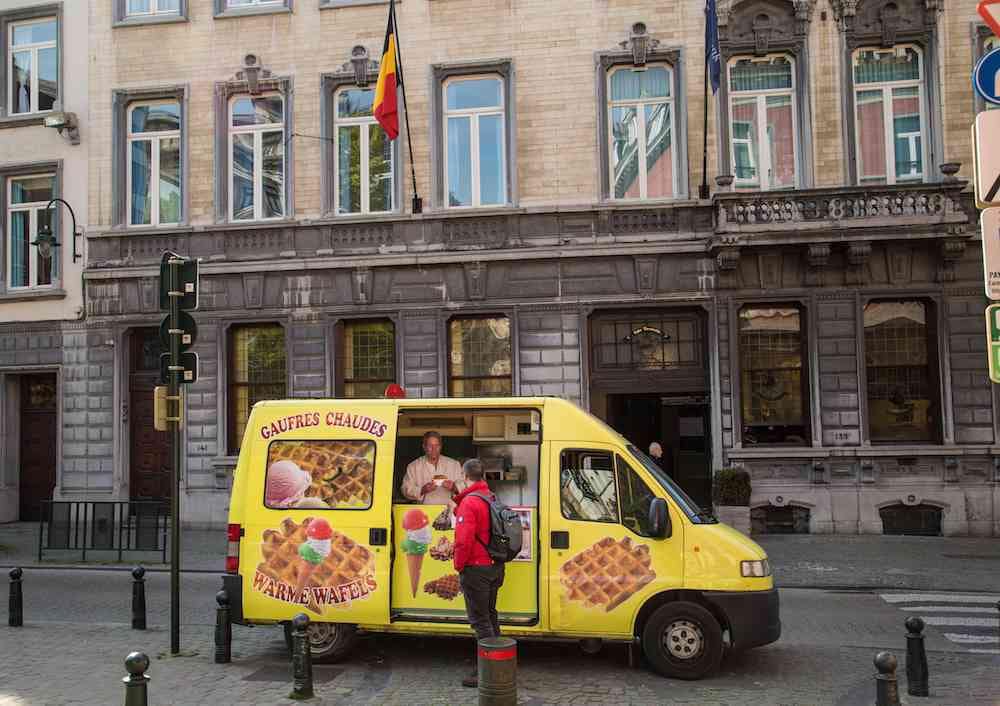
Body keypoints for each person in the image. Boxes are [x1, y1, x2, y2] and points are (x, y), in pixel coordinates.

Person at [453, 458, 505, 688]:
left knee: (480, 619)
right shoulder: (491, 496)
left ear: (465, 477)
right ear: (482, 475)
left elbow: (463, 541)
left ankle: (489, 672)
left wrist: (458, 565)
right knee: (490, 614)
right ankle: (501, 663)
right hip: (494, 566)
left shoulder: (469, 502)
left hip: (476, 568)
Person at [401, 431, 465, 505]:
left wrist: (454, 487)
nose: (434, 449)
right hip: (425, 511)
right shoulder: (413, 466)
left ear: (441, 446)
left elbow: (465, 486)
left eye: (437, 445)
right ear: (424, 447)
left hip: (449, 511)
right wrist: (422, 490)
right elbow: (405, 489)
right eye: (430, 446)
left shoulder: (454, 464)